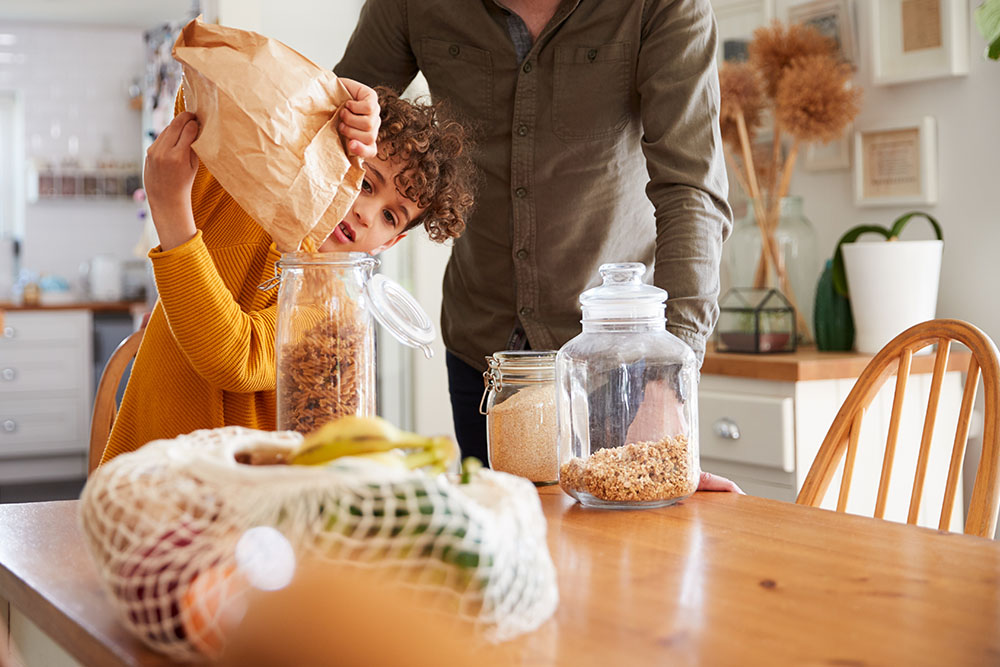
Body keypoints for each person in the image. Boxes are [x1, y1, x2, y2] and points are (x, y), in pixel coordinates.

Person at [336, 0, 741, 492]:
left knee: (629, 556)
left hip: (617, 363)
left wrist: (667, 380)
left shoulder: (663, 7)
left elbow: (690, 190)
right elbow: (328, 126)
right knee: (500, 549)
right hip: (482, 351)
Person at [99, 82, 475, 464]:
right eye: (365, 183)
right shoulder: (243, 190)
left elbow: (236, 357)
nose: (366, 212)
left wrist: (170, 208)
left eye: (390, 216)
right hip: (146, 475)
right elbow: (203, 89)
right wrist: (326, 91)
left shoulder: (333, 305)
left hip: (247, 497)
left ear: (388, 244)